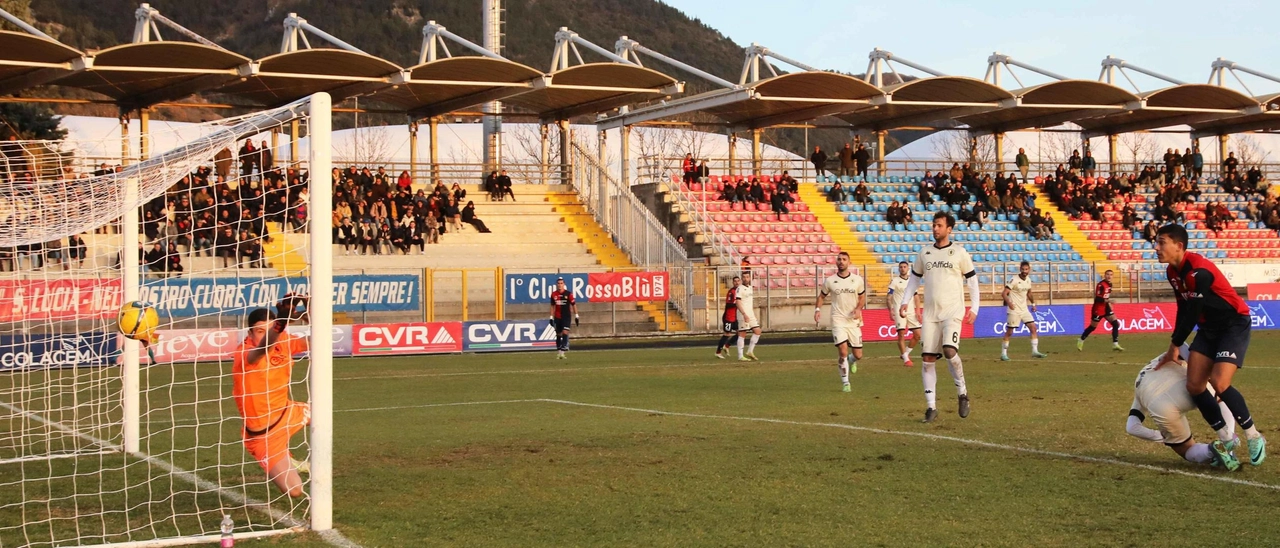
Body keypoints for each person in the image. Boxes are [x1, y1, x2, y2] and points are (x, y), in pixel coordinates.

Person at [1155, 223, 1266, 470]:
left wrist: (1175, 345)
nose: (1156, 247)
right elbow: (1183, 309)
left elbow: (1192, 313)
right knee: (1194, 385)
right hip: (1209, 329)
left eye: (1162, 242)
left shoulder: (1199, 271)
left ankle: (1254, 435)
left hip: (1233, 324)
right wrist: (1175, 344)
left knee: (1220, 383)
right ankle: (1226, 437)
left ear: (1179, 245)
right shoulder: (1173, 273)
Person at [900, 212, 980, 423]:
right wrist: (904, 302)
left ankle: (962, 393)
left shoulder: (959, 252)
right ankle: (931, 408)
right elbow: (913, 281)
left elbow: (972, 281)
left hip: (953, 311)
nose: (935, 228)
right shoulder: (924, 253)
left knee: (949, 350)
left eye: (939, 225)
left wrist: (975, 308)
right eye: (934, 225)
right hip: (930, 314)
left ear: (949, 229)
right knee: (927, 360)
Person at [232, 295, 311, 497]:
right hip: (263, 436)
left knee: (324, 414)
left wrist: (311, 312)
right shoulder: (245, 353)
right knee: (295, 490)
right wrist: (279, 325)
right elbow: (262, 348)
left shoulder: (283, 340)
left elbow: (314, 342)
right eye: (259, 331)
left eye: (269, 328)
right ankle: (285, 456)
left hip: (287, 412)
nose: (264, 334)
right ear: (249, 333)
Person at [1125, 345, 1238, 468]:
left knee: (1186, 449)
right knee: (1222, 397)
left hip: (1160, 406)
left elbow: (1131, 427)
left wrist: (1160, 436)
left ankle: (1211, 450)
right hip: (1186, 387)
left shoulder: (1139, 391)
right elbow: (1183, 346)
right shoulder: (1163, 357)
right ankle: (1228, 444)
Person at [815, 252, 865, 392]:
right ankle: (846, 383)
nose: (841, 261)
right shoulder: (830, 281)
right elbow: (821, 296)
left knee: (858, 355)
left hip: (853, 320)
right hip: (838, 320)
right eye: (839, 259)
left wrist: (859, 308)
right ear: (836, 262)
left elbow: (862, 297)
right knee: (842, 351)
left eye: (844, 259)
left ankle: (852, 360)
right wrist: (817, 309)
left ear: (849, 262)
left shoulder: (857, 280)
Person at [1000, 261, 1048, 361]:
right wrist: (1009, 303)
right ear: (1020, 269)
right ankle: (1003, 354)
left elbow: (1029, 293)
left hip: (1024, 309)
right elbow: (1004, 293)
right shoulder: (1014, 280)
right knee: (1009, 332)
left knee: (1033, 328)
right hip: (1014, 310)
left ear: (1029, 269)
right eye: (1023, 269)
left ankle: (1035, 351)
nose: (1024, 271)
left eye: (1026, 269)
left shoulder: (1028, 280)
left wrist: (1033, 304)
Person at [1077, 269, 1124, 352]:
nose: (1109, 276)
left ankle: (1115, 344)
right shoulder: (1101, 285)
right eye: (1107, 274)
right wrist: (1109, 301)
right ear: (1104, 276)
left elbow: (1106, 296)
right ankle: (1081, 339)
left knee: (1115, 323)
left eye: (1111, 275)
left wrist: (1108, 304)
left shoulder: (1110, 284)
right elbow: (1098, 298)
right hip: (1098, 309)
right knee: (1092, 327)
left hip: (1106, 307)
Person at [886, 261, 920, 367]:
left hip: (911, 311)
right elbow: (888, 297)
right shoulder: (895, 281)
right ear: (898, 269)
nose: (903, 268)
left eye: (904, 267)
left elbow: (916, 296)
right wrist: (890, 310)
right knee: (901, 334)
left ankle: (906, 353)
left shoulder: (911, 281)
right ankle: (906, 359)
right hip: (898, 310)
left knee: (918, 335)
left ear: (908, 268)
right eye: (901, 267)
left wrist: (918, 310)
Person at [549, 277, 579, 359]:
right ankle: (559, 353)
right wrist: (551, 317)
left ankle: (562, 351)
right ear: (556, 284)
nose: (560, 285)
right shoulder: (553, 294)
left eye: (561, 283)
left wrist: (576, 315)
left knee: (565, 332)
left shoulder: (568, 294)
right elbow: (552, 306)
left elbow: (574, 305)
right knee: (558, 334)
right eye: (558, 283)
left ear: (564, 284)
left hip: (566, 317)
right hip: (557, 317)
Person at [735, 271, 761, 361]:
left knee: (757, 331)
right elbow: (737, 302)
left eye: (747, 277)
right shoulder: (740, 288)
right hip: (743, 314)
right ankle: (740, 356)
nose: (746, 279)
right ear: (742, 279)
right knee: (742, 333)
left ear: (750, 278)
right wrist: (744, 314)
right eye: (744, 277)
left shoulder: (750, 287)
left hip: (750, 313)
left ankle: (750, 351)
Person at [714, 276, 741, 359]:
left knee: (740, 333)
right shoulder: (731, 292)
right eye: (735, 281)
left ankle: (727, 345)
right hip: (728, 317)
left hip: (734, 317)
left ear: (740, 282)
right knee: (727, 334)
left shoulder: (739, 292)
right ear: (733, 283)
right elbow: (728, 304)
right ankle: (718, 352)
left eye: (738, 281)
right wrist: (736, 303)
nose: (736, 282)